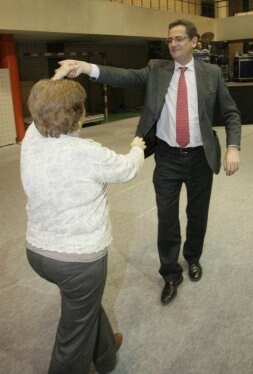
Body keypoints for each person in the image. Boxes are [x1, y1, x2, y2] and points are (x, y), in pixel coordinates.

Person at [53, 18, 241, 306]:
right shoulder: (157, 70)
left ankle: (192, 258)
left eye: (179, 39)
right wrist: (85, 67)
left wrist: (232, 147)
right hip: (166, 157)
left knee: (197, 214)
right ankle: (170, 274)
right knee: (166, 219)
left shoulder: (211, 73)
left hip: (200, 158)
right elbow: (123, 76)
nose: (173, 44)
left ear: (194, 42)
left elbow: (231, 113)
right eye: (170, 40)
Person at [20, 78, 146, 374]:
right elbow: (127, 169)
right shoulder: (88, 153)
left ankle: (105, 354)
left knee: (83, 305)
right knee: (72, 340)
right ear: (78, 115)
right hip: (77, 262)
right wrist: (137, 147)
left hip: (38, 253)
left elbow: (43, 105)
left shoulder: (31, 138)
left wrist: (53, 85)